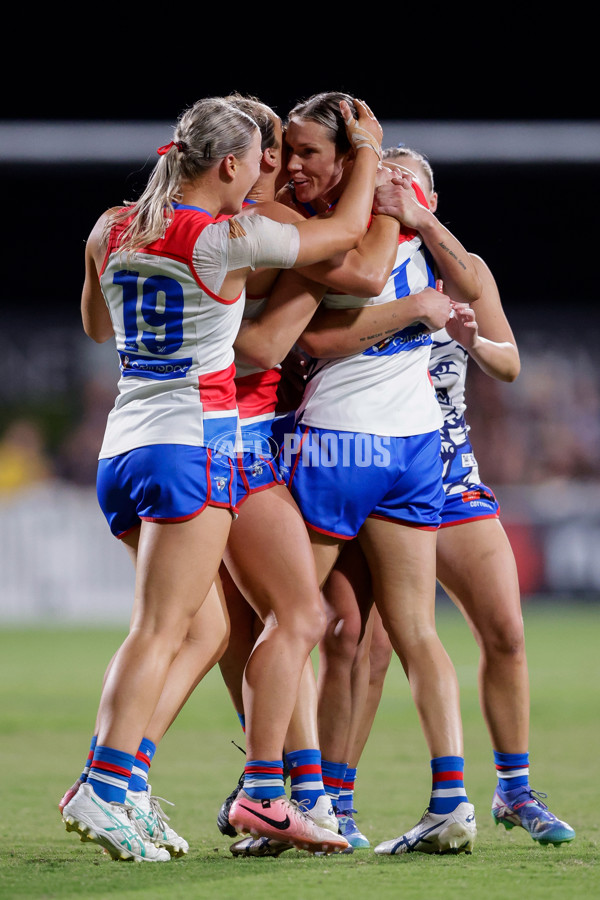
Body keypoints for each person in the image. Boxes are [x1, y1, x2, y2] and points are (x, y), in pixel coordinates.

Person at [60, 93, 384, 862]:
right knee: (162, 630)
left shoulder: (112, 227)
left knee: (204, 628)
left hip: (122, 449)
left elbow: (97, 326)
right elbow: (342, 238)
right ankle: (105, 784)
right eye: (256, 162)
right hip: (187, 448)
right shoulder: (225, 238)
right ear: (231, 163)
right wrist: (368, 151)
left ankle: (126, 784)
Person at [308, 145, 576, 851]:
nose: (394, 184)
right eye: (385, 174)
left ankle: (513, 790)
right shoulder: (355, 261)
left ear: (430, 196)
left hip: (448, 469)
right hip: (372, 457)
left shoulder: (458, 268)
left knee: (506, 632)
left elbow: (509, 362)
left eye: (410, 178)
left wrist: (468, 338)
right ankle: (332, 800)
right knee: (358, 642)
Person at [272, 93, 481, 856]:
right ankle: (449, 798)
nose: (292, 169)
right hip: (416, 444)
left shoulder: (321, 232)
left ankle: (298, 795)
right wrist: (424, 290)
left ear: (346, 158)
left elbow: (320, 340)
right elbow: (459, 290)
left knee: (295, 622)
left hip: (341, 445)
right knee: (402, 631)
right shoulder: (405, 236)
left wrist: (400, 208)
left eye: (307, 155)